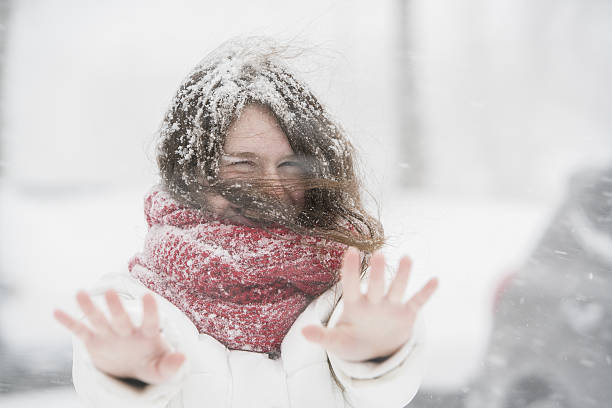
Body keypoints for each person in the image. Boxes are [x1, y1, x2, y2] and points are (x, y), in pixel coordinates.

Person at [53, 37, 438, 408]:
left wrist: (380, 354)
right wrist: (126, 372)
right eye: (241, 164)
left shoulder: (349, 294)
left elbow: (384, 391)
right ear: (190, 172)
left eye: (289, 165)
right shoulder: (134, 301)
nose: (271, 186)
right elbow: (106, 380)